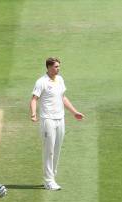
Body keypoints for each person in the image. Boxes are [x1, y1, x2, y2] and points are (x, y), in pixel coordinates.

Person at [29, 57, 84, 190]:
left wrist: (74, 112)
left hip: (61, 119)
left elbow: (63, 98)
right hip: (48, 120)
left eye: (59, 66)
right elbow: (34, 99)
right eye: (56, 67)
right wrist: (33, 114)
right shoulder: (41, 82)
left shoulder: (60, 79)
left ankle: (52, 177)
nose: (58, 69)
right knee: (49, 151)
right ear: (48, 67)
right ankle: (48, 181)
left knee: (57, 150)